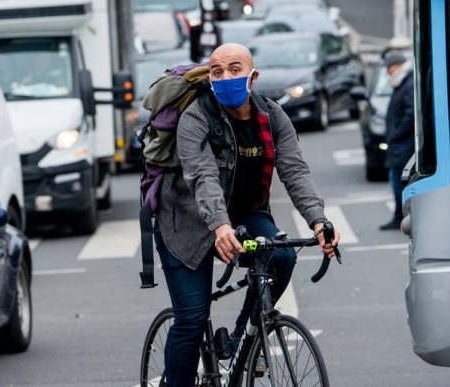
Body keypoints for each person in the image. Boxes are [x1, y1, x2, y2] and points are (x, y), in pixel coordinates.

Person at [154, 43, 341, 385]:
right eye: (217, 72)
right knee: (193, 319)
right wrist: (220, 226)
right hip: (187, 223)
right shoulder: (195, 117)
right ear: (210, 79)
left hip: (242, 214)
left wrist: (318, 220)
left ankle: (246, 335)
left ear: (252, 77)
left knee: (282, 257)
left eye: (235, 69)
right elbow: (203, 176)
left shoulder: (272, 116)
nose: (226, 77)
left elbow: (295, 170)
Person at [379, 51, 414, 231]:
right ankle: (398, 216)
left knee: (398, 180)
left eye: (389, 68)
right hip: (400, 143)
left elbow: (410, 114)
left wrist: (396, 134)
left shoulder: (406, 84)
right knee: (396, 180)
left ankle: (400, 217)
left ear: (396, 66)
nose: (387, 73)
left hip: (403, 144)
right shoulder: (404, 83)